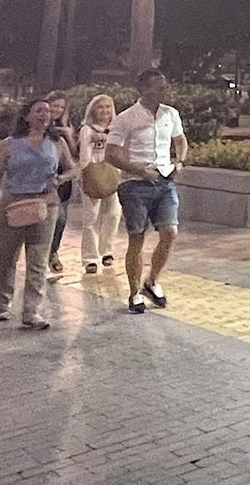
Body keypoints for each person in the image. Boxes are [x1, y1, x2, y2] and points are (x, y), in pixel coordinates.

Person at [0, 96, 75, 330]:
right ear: (26, 116)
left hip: (45, 205)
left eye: (46, 111)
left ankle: (31, 311)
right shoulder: (9, 144)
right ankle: (3, 304)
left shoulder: (57, 143)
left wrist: (60, 179)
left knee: (38, 260)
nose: (44, 115)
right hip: (13, 205)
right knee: (7, 257)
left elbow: (73, 169)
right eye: (38, 111)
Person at [106, 68, 188, 314]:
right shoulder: (126, 118)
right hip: (134, 185)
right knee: (137, 238)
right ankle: (133, 293)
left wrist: (180, 161)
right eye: (158, 86)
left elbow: (180, 139)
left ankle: (152, 281)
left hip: (164, 181)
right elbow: (111, 154)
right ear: (143, 89)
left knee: (170, 232)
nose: (164, 90)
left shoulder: (170, 113)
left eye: (165, 86)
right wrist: (138, 170)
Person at [76, 93, 121, 273]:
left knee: (114, 213)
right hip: (92, 174)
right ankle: (90, 258)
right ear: (93, 110)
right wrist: (87, 173)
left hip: (112, 173)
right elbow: (85, 156)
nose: (104, 111)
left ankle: (106, 251)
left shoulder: (116, 129)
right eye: (100, 107)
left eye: (108, 107)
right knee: (91, 217)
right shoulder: (87, 130)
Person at [44, 89, 80, 274]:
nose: (57, 110)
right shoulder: (39, 124)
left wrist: (67, 133)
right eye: (54, 105)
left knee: (60, 219)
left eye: (61, 107)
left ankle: (52, 252)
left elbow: (73, 154)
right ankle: (40, 253)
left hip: (62, 178)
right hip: (42, 180)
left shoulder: (66, 126)